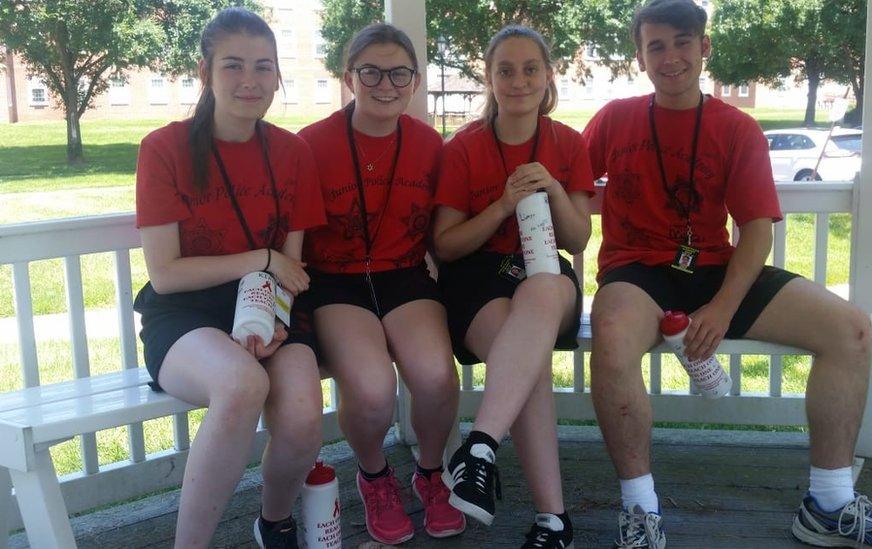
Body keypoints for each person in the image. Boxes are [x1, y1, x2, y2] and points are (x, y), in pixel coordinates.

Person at [582, 1, 872, 548]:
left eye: (682, 42)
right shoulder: (614, 119)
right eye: (656, 46)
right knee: (609, 336)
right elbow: (570, 182)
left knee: (851, 330)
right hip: (636, 275)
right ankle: (640, 511)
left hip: (717, 271)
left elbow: (755, 229)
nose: (670, 57)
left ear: (704, 47)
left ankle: (830, 502)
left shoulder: (737, 128)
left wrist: (723, 307)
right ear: (640, 56)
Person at [133, 8, 326, 549]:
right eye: (234, 65)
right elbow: (166, 276)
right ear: (205, 73)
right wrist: (258, 258)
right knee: (242, 384)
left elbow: (291, 268)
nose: (250, 81)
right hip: (186, 317)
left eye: (264, 67)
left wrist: (273, 317)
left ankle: (275, 521)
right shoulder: (164, 148)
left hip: (270, 307)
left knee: (304, 413)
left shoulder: (292, 152)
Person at [297, 23, 465, 546]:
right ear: (349, 77)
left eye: (399, 73)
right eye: (370, 71)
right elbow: (294, 240)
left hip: (404, 276)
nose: (384, 84)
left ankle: (431, 472)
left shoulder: (429, 143)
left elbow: (443, 233)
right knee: (372, 391)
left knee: (437, 378)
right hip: (337, 283)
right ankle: (373, 475)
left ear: (415, 80)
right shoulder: (312, 144)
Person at [433, 25, 594, 549]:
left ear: (548, 75)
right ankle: (554, 520)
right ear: (490, 77)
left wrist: (552, 188)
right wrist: (502, 205)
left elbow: (577, 240)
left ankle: (478, 447)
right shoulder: (464, 148)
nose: (519, 80)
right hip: (479, 280)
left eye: (530, 69)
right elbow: (448, 245)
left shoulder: (568, 143)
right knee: (523, 360)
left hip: (546, 275)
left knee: (543, 293)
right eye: (506, 69)